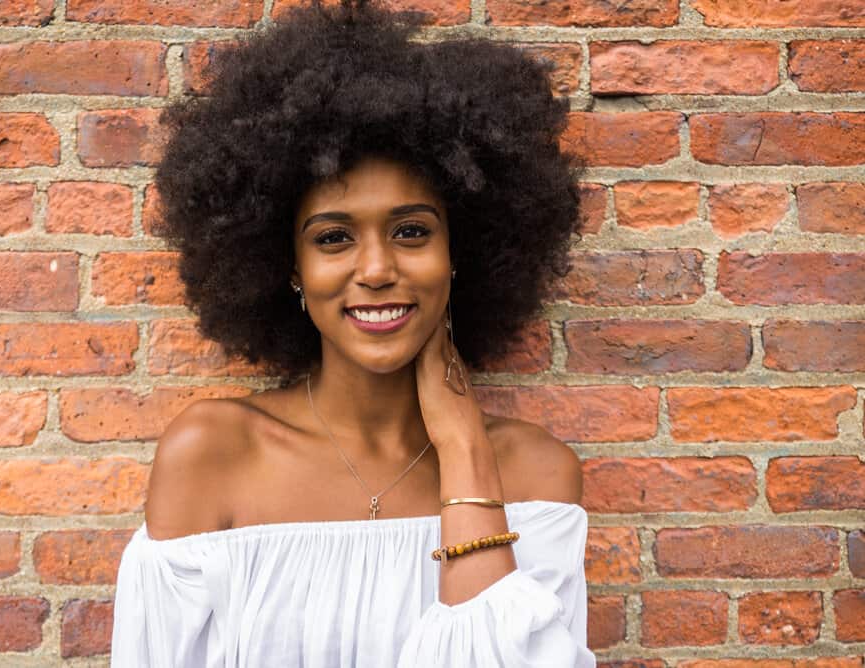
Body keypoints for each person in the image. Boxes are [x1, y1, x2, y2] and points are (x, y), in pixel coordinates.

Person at [110, 0, 593, 665]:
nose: (376, 269)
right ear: (291, 270)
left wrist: (462, 448)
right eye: (334, 238)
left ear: (460, 254)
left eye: (411, 232)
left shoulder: (537, 474)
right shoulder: (211, 457)